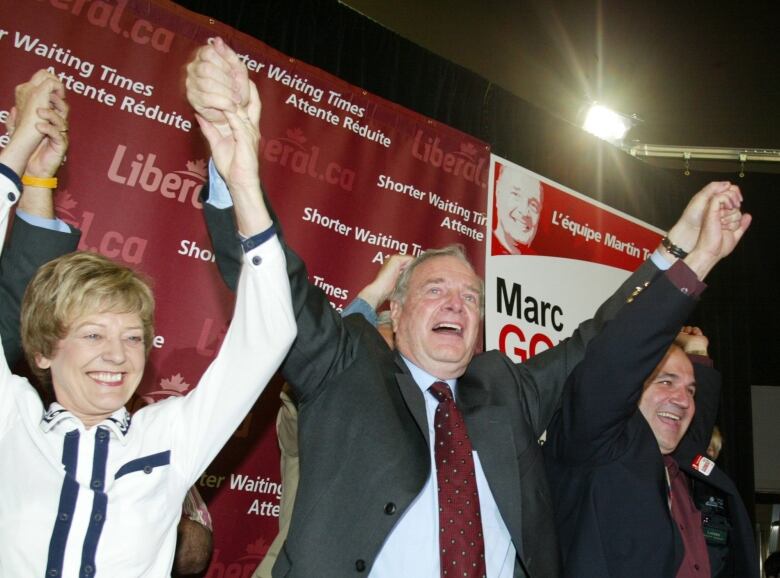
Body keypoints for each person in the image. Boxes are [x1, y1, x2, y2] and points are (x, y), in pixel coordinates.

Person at [187, 38, 747, 578]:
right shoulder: (347, 366)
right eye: (434, 290)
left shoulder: (505, 388)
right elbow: (275, 292)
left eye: (471, 297)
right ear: (397, 311)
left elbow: (598, 340)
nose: (457, 302)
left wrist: (676, 246)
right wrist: (237, 177)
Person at [0, 72, 296, 576]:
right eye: (93, 334)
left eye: (133, 337)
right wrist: (13, 158)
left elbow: (269, 334)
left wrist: (243, 182)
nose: (118, 354)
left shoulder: (168, 437)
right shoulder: (12, 421)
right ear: (45, 351)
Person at [542, 192, 757, 578]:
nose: (683, 399)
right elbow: (619, 354)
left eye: (689, 389)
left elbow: (697, 413)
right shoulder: (596, 445)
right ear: (629, 389)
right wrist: (702, 258)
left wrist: (698, 357)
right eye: (665, 381)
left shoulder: (677, 461)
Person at [255, 257, 409, 578]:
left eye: (391, 361)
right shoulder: (314, 401)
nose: (378, 369)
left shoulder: (421, 431)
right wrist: (374, 293)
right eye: (368, 355)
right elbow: (328, 360)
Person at [492, 162, 543, 255]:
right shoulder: (479, 250)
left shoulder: (539, 265)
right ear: (498, 192)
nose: (524, 211)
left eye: (533, 204)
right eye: (516, 195)